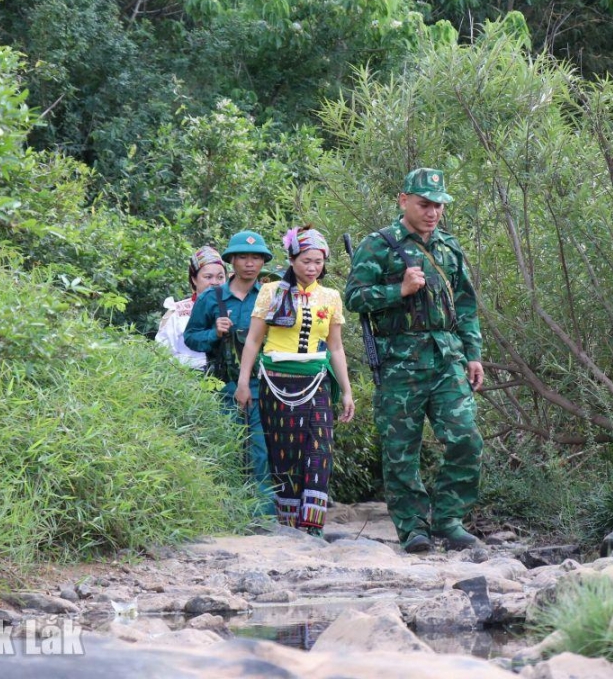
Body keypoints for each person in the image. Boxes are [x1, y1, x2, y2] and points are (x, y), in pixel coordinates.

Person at [344, 168, 484, 553]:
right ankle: (413, 529)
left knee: (466, 439)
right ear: (403, 200)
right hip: (399, 363)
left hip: (445, 359)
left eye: (438, 205)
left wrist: (473, 355)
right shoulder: (379, 246)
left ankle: (449, 520)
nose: (432, 212)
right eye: (424, 204)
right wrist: (398, 290)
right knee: (401, 450)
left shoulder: (449, 248)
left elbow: (467, 307)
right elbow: (354, 298)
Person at [235, 226, 356, 537]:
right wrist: (243, 382)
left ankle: (312, 528)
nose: (312, 267)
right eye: (306, 261)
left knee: (319, 453)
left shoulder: (330, 297)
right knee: (283, 455)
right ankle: (289, 528)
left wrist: (346, 391)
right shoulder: (271, 291)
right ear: (291, 260)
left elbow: (336, 346)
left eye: (318, 262)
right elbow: (253, 341)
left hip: (316, 383)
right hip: (276, 382)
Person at [184, 231, 276, 514]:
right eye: (243, 257)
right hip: (222, 387)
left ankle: (263, 514)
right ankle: (227, 513)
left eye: (256, 257)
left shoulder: (271, 296)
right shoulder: (211, 298)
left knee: (261, 450)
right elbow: (191, 337)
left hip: (264, 387)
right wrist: (214, 332)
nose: (250, 263)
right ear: (231, 261)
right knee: (228, 449)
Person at [155, 246, 227, 372]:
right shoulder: (177, 311)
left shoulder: (233, 307)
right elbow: (162, 354)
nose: (215, 282)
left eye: (220, 277)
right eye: (208, 277)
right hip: (186, 378)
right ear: (194, 279)